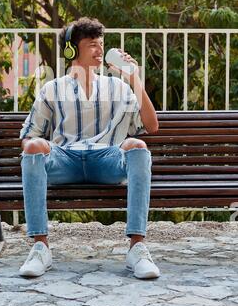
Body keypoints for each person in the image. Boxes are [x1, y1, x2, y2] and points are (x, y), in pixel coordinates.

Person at [19, 17, 160, 279]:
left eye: (101, 44)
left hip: (106, 158)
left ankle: (137, 248)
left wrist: (135, 78)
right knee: (33, 147)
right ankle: (40, 247)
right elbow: (29, 136)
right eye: (92, 45)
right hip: (65, 160)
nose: (99, 51)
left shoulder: (117, 86)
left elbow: (151, 126)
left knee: (138, 145)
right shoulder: (53, 88)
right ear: (72, 49)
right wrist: (40, 150)